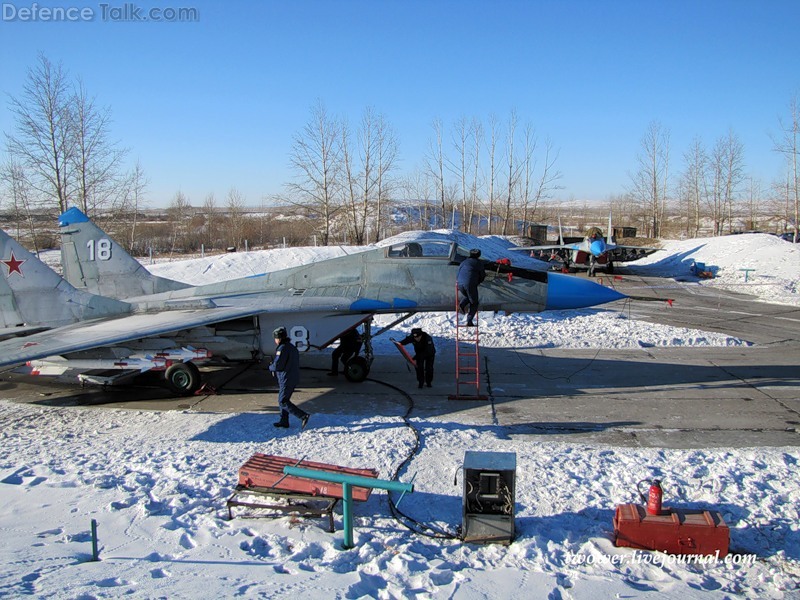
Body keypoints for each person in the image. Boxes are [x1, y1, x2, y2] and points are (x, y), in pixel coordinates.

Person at [269, 326, 310, 430]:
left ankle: (302, 416)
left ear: (279, 338)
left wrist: (270, 367)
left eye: (275, 338)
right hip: (292, 377)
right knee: (283, 400)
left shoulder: (282, 349)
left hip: (286, 378)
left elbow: (278, 365)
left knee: (283, 401)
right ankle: (284, 421)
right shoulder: (291, 347)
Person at [457, 248, 486, 327]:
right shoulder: (478, 263)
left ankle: (462, 305)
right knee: (474, 302)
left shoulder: (463, 262)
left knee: (469, 296)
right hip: (469, 284)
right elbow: (483, 275)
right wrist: (478, 282)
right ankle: (469, 320)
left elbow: (459, 273)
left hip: (460, 284)